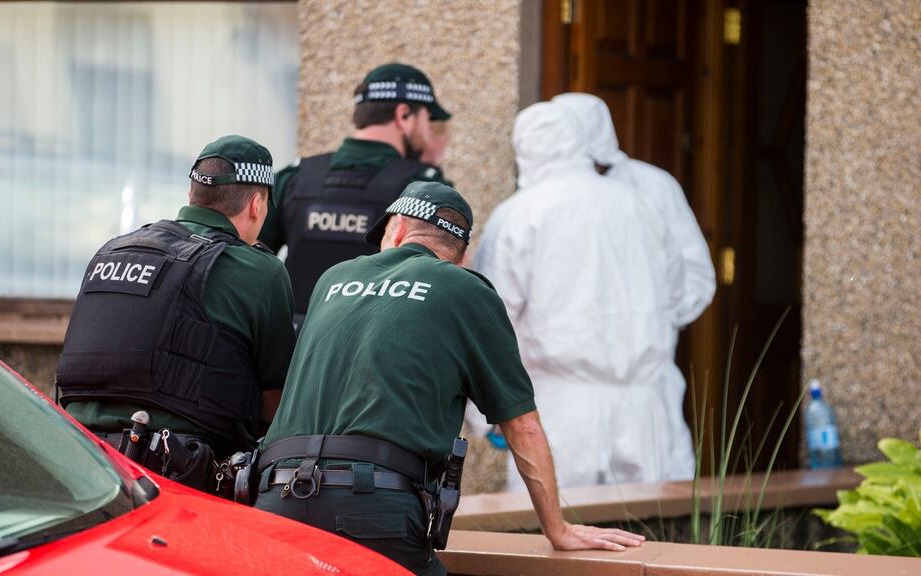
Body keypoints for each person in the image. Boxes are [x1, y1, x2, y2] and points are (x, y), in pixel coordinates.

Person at [254, 181, 644, 575]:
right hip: (373, 507)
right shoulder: (465, 290)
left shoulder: (332, 280)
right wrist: (557, 530)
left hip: (276, 498)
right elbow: (522, 427)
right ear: (462, 257)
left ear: (399, 229)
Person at [56, 135, 296, 492]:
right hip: (177, 478)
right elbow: (275, 406)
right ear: (256, 205)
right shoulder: (260, 271)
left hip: (74, 460)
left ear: (191, 195)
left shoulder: (114, 250)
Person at [473, 101, 692, 490]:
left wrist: (485, 413)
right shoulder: (640, 205)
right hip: (648, 408)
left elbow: (487, 320)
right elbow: (680, 290)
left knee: (559, 538)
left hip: (559, 412)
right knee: (652, 538)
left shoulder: (520, 214)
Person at [553, 93, 717, 482]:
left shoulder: (654, 187)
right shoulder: (547, 193)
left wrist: (643, 322)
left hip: (644, 386)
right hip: (566, 394)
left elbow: (694, 277)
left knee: (649, 514)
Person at [258, 62, 453, 327]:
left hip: (295, 357)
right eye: (427, 119)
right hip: (375, 354)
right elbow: (441, 283)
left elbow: (248, 262)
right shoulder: (424, 188)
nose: (428, 131)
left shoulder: (296, 177)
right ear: (404, 115)